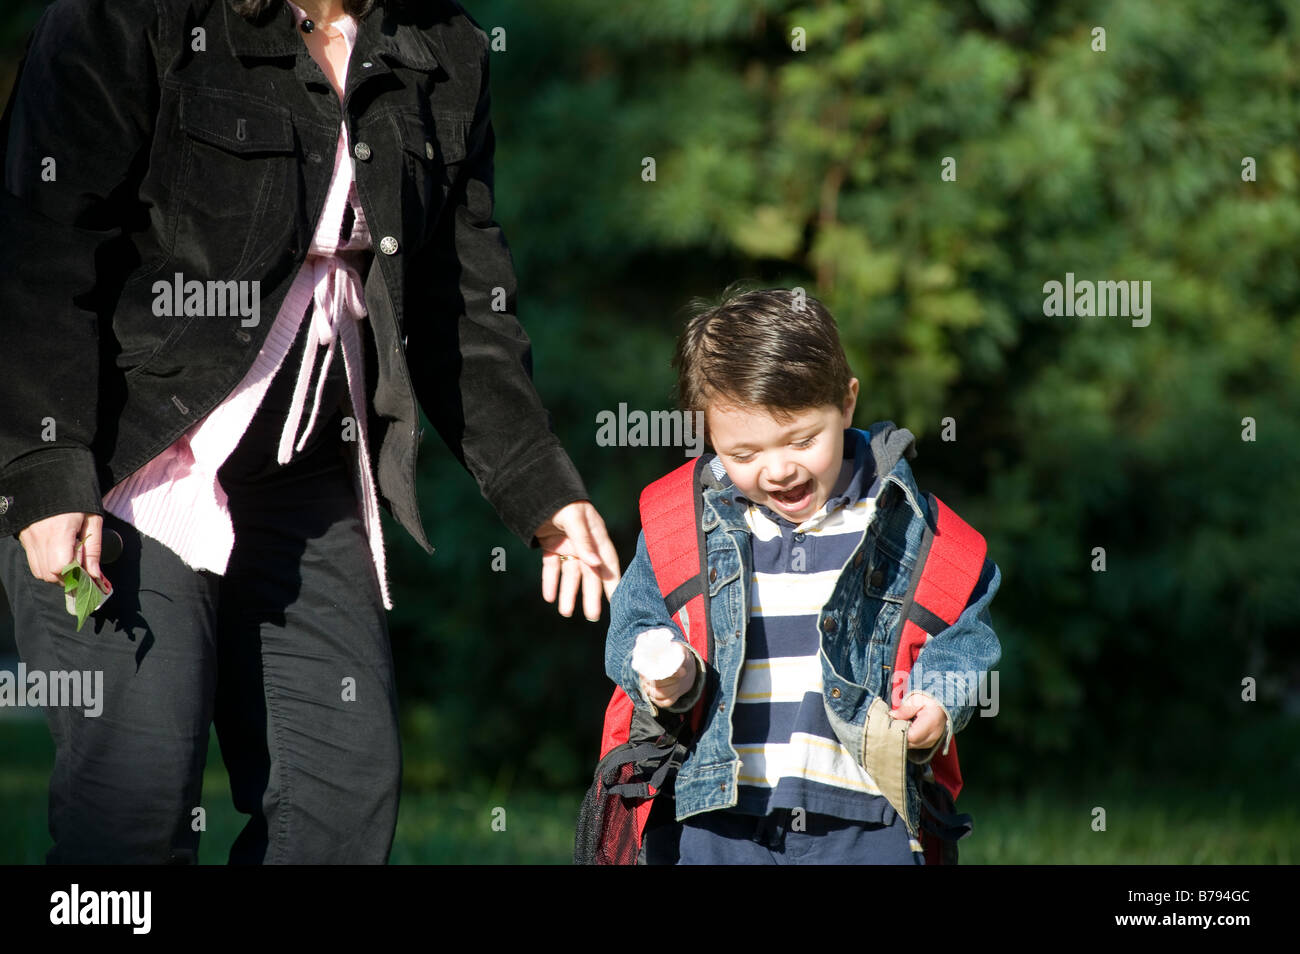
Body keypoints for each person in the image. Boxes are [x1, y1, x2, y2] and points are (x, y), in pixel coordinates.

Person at [0, 0, 618, 864]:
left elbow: (457, 299)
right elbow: (38, 244)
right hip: (124, 467)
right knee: (133, 818)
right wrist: (44, 463)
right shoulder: (124, 17)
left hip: (310, 481)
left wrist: (539, 484)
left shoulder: (443, 45)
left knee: (339, 805)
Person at [604, 287, 1002, 864]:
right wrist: (668, 675)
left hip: (866, 814)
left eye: (802, 440)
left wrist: (939, 700)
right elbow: (634, 624)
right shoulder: (681, 527)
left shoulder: (905, 524)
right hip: (717, 813)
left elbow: (965, 631)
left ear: (846, 403)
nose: (778, 469)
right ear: (708, 435)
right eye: (744, 454)